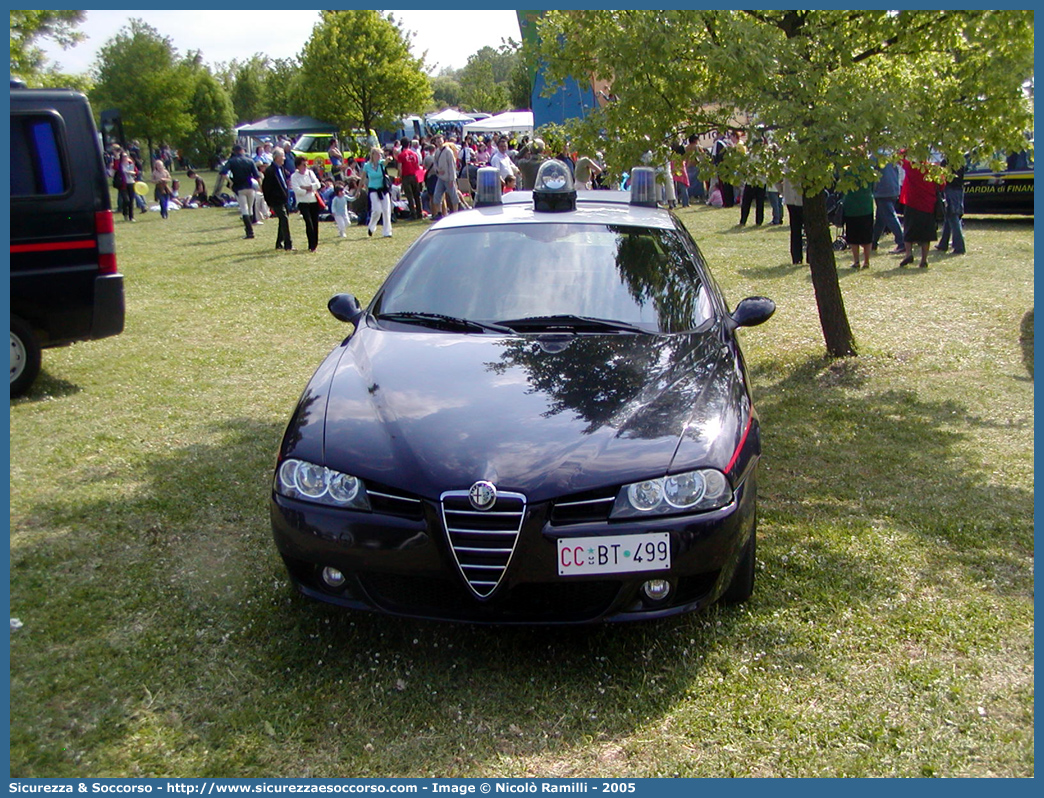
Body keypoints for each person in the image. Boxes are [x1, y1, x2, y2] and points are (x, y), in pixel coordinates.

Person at [899, 154, 943, 268]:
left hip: (912, 203)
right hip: (928, 205)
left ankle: (908, 253)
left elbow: (899, 158)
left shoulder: (912, 167)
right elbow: (942, 185)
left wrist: (908, 150)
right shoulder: (933, 169)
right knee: (926, 235)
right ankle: (924, 259)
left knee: (908, 231)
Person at [220, 144, 262, 239]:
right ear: (243, 150)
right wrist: (260, 186)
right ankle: (251, 228)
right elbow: (257, 175)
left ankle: (249, 232)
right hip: (250, 186)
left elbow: (223, 173)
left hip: (239, 187)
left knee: (244, 209)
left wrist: (230, 181)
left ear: (234, 151)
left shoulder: (231, 161)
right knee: (250, 208)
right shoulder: (250, 161)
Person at [261, 147, 293, 251]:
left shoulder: (282, 168)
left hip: (284, 199)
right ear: (277, 157)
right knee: (284, 219)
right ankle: (288, 245)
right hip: (276, 200)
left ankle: (279, 243)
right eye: (282, 156)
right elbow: (266, 187)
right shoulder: (270, 171)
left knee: (283, 221)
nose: (284, 158)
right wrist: (269, 202)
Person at [871, 160, 906, 253]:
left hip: (882, 190)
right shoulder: (890, 153)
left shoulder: (875, 156)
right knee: (881, 218)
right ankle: (873, 242)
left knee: (890, 216)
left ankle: (902, 242)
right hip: (893, 188)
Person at [290, 155, 321, 252]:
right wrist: (307, 189)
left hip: (313, 201)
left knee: (315, 222)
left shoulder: (310, 173)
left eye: (306, 164)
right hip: (302, 202)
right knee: (309, 222)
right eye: (303, 165)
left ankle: (314, 245)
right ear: (298, 166)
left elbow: (318, 184)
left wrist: (307, 187)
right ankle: (311, 244)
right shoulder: (294, 176)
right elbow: (297, 190)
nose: (305, 167)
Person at [843, 179, 874, 269]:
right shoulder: (869, 169)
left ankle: (856, 261)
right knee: (867, 236)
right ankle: (866, 261)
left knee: (853, 237)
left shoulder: (846, 171)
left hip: (851, 208)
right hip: (866, 206)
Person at [936, 161, 966, 255]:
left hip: (951, 189)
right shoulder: (959, 159)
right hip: (958, 188)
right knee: (949, 216)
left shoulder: (948, 161)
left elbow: (942, 176)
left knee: (953, 217)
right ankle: (943, 243)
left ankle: (959, 246)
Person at [363, 146, 393, 238]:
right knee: (377, 210)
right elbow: (362, 178)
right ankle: (371, 227)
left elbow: (387, 161)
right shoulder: (367, 166)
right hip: (373, 189)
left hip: (383, 189)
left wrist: (389, 158)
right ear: (373, 155)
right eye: (377, 154)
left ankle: (387, 232)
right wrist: (358, 189)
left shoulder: (381, 163)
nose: (379, 156)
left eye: (380, 154)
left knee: (386, 210)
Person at [431, 135, 459, 220]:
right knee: (437, 195)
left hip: (449, 178)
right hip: (441, 178)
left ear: (443, 141)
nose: (439, 143)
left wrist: (452, 179)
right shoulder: (437, 152)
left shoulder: (448, 151)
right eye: (437, 141)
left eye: (440, 141)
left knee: (453, 196)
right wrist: (438, 170)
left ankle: (456, 213)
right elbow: (435, 163)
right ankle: (439, 213)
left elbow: (452, 165)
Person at [396, 136, 422, 220]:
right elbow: (417, 166)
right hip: (415, 176)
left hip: (406, 176)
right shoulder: (414, 154)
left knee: (409, 196)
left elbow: (400, 167)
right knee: (417, 196)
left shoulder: (401, 155)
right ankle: (419, 213)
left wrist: (399, 177)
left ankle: (413, 214)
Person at [781, 176, 804, 265]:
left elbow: (776, 180)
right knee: (808, 229)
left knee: (795, 230)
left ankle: (796, 258)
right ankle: (808, 258)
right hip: (802, 199)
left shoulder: (786, 163)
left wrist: (784, 192)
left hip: (790, 198)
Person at [115, 151, 140, 222]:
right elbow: (115, 167)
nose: (125, 157)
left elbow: (136, 172)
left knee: (131, 200)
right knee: (126, 200)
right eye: (124, 156)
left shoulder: (131, 164)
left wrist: (133, 173)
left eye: (126, 156)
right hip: (123, 184)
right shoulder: (119, 165)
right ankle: (125, 213)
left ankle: (131, 216)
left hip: (131, 183)